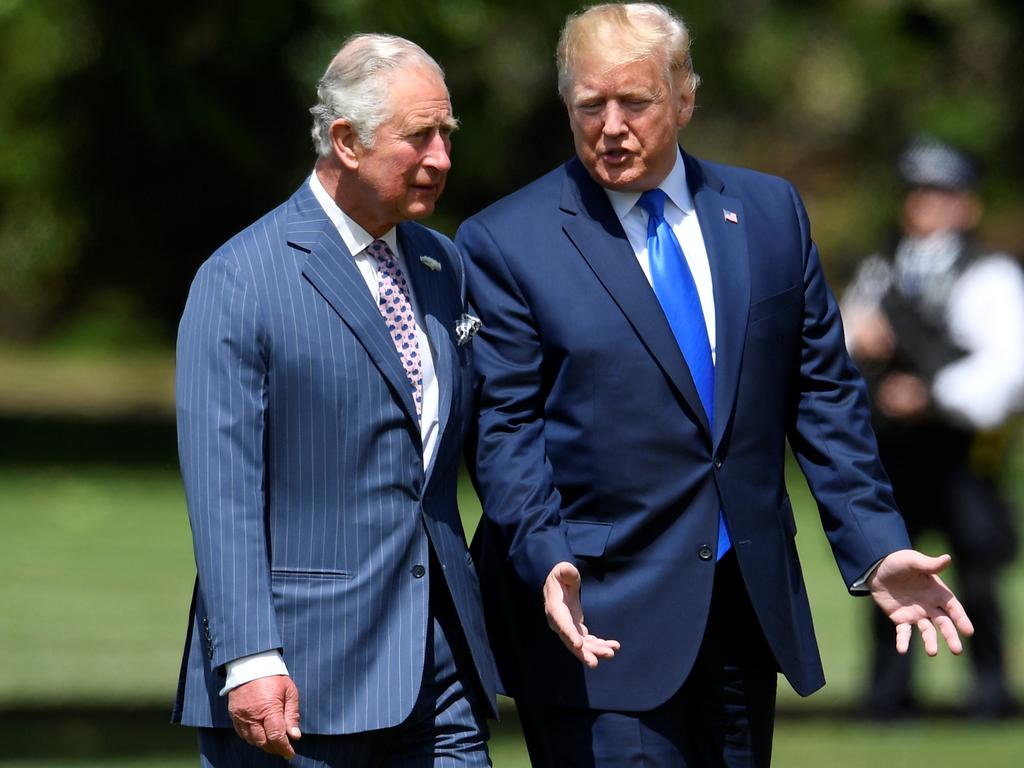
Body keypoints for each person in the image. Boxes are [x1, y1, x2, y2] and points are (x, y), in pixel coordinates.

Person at [457, 4, 974, 766]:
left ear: (685, 98)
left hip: (744, 615)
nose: (611, 126)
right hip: (594, 616)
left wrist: (875, 546)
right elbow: (505, 429)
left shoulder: (769, 213)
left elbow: (825, 395)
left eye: (635, 102)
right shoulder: (506, 240)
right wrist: (542, 553)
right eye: (589, 105)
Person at [172, 33, 497, 767]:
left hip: (442, 670)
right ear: (346, 141)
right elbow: (223, 492)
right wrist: (250, 658)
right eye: (419, 137)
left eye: (446, 134)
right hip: (301, 685)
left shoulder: (443, 264)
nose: (442, 157)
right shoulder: (241, 279)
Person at [842, 137, 1024, 719]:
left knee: (978, 570)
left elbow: (1005, 367)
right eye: (918, 193)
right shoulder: (882, 267)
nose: (925, 205)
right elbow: (842, 339)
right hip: (896, 453)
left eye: (940, 194)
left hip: (962, 453)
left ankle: (990, 691)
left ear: (964, 204)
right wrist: (860, 342)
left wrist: (931, 393)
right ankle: (888, 694)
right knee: (890, 566)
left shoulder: (988, 273)